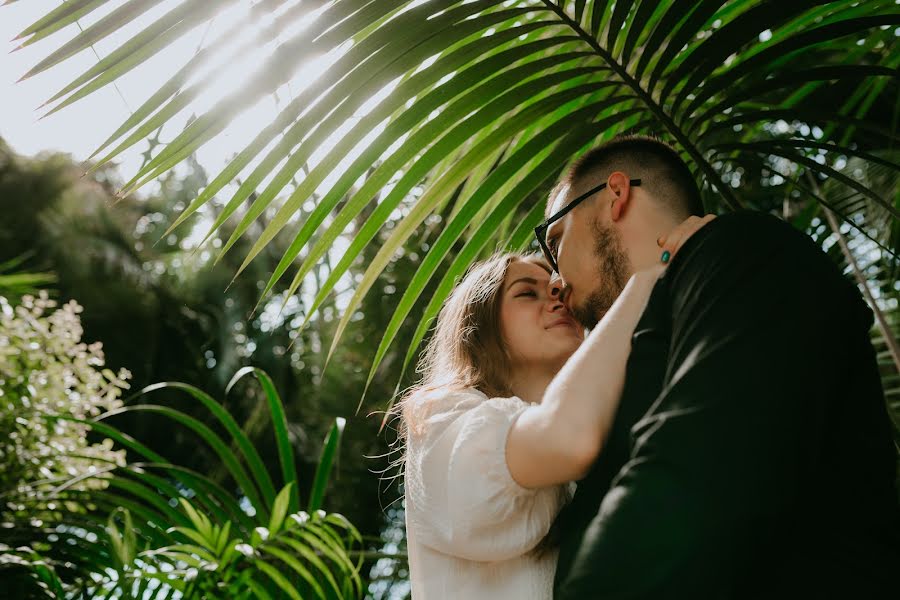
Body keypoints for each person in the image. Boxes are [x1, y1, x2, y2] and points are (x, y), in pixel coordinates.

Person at [538, 134, 900, 599]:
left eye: (555, 240)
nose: (552, 279)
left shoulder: (746, 253)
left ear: (615, 194)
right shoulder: (636, 351)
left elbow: (692, 489)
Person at [400, 215, 707, 599]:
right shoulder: (441, 419)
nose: (556, 298)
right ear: (480, 325)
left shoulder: (600, 441)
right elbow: (567, 439)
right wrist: (647, 276)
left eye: (559, 290)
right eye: (527, 293)